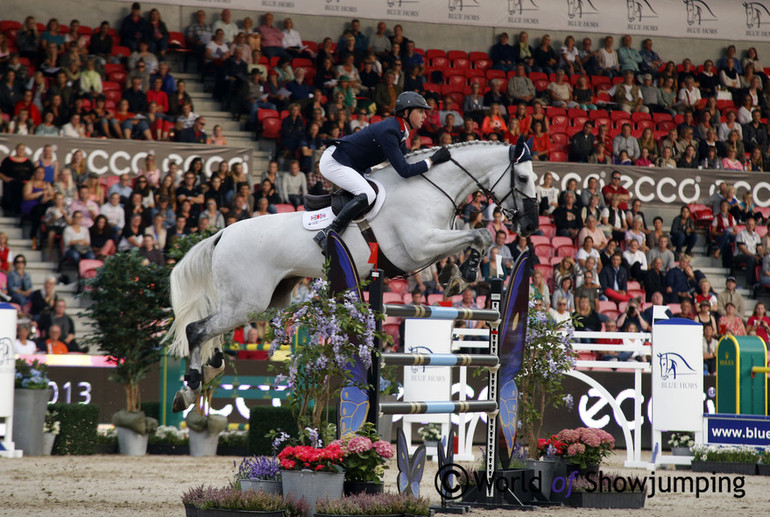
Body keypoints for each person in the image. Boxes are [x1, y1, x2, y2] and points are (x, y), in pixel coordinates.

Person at [312, 91, 451, 250]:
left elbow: (405, 160)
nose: (425, 116)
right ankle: (329, 231)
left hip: (352, 164)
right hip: (335, 161)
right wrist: (432, 160)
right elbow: (405, 170)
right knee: (368, 194)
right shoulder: (390, 131)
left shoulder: (398, 130)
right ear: (406, 113)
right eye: (420, 111)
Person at [734, 217, 762, 289]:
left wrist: (762, 256)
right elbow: (743, 250)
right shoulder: (741, 234)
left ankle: (760, 282)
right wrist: (754, 256)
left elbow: (759, 248)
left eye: (752, 225)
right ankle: (749, 283)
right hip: (740, 255)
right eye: (749, 224)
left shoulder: (756, 235)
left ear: (754, 226)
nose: (750, 226)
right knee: (751, 259)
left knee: (764, 260)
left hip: (752, 255)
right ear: (746, 225)